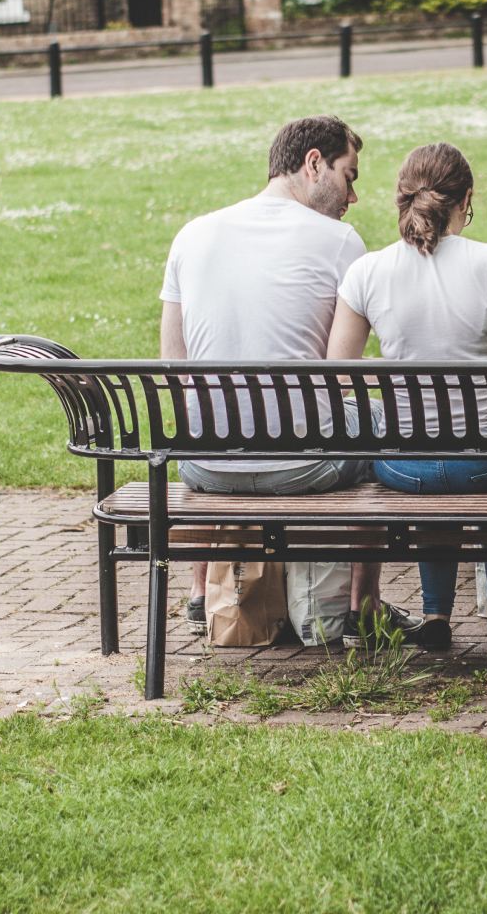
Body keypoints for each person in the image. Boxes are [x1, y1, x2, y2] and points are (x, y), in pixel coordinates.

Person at [159, 114, 417, 643]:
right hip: (304, 464)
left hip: (205, 465)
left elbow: (175, 364)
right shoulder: (340, 241)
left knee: (207, 413)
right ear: (313, 164)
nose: (353, 195)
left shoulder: (193, 234)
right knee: (376, 427)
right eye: (350, 176)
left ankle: (200, 591)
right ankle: (361, 609)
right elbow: (343, 370)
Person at [326, 142, 487, 651]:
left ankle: (436, 613)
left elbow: (340, 372)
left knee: (433, 479)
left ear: (402, 199)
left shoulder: (368, 271)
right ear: (466, 198)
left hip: (406, 466)